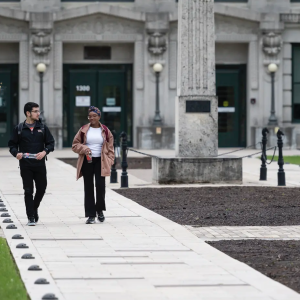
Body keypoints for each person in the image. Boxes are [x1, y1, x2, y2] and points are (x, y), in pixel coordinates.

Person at [8, 102, 55, 226]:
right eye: (35, 111)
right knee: (28, 190)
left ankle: (34, 208)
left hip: (40, 165)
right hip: (25, 165)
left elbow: (51, 143)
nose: (38, 113)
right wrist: (16, 153)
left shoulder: (43, 128)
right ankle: (31, 217)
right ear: (28, 113)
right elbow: (12, 145)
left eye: (38, 111)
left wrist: (45, 151)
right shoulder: (19, 129)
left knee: (42, 188)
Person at [72, 106, 114, 224]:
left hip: (101, 161)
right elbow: (75, 145)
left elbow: (110, 147)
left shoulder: (105, 130)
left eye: (94, 116)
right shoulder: (83, 130)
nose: (92, 118)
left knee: (100, 186)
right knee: (88, 187)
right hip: (87, 161)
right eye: (90, 116)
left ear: (99, 117)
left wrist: (110, 160)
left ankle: (99, 210)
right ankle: (91, 215)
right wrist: (84, 148)